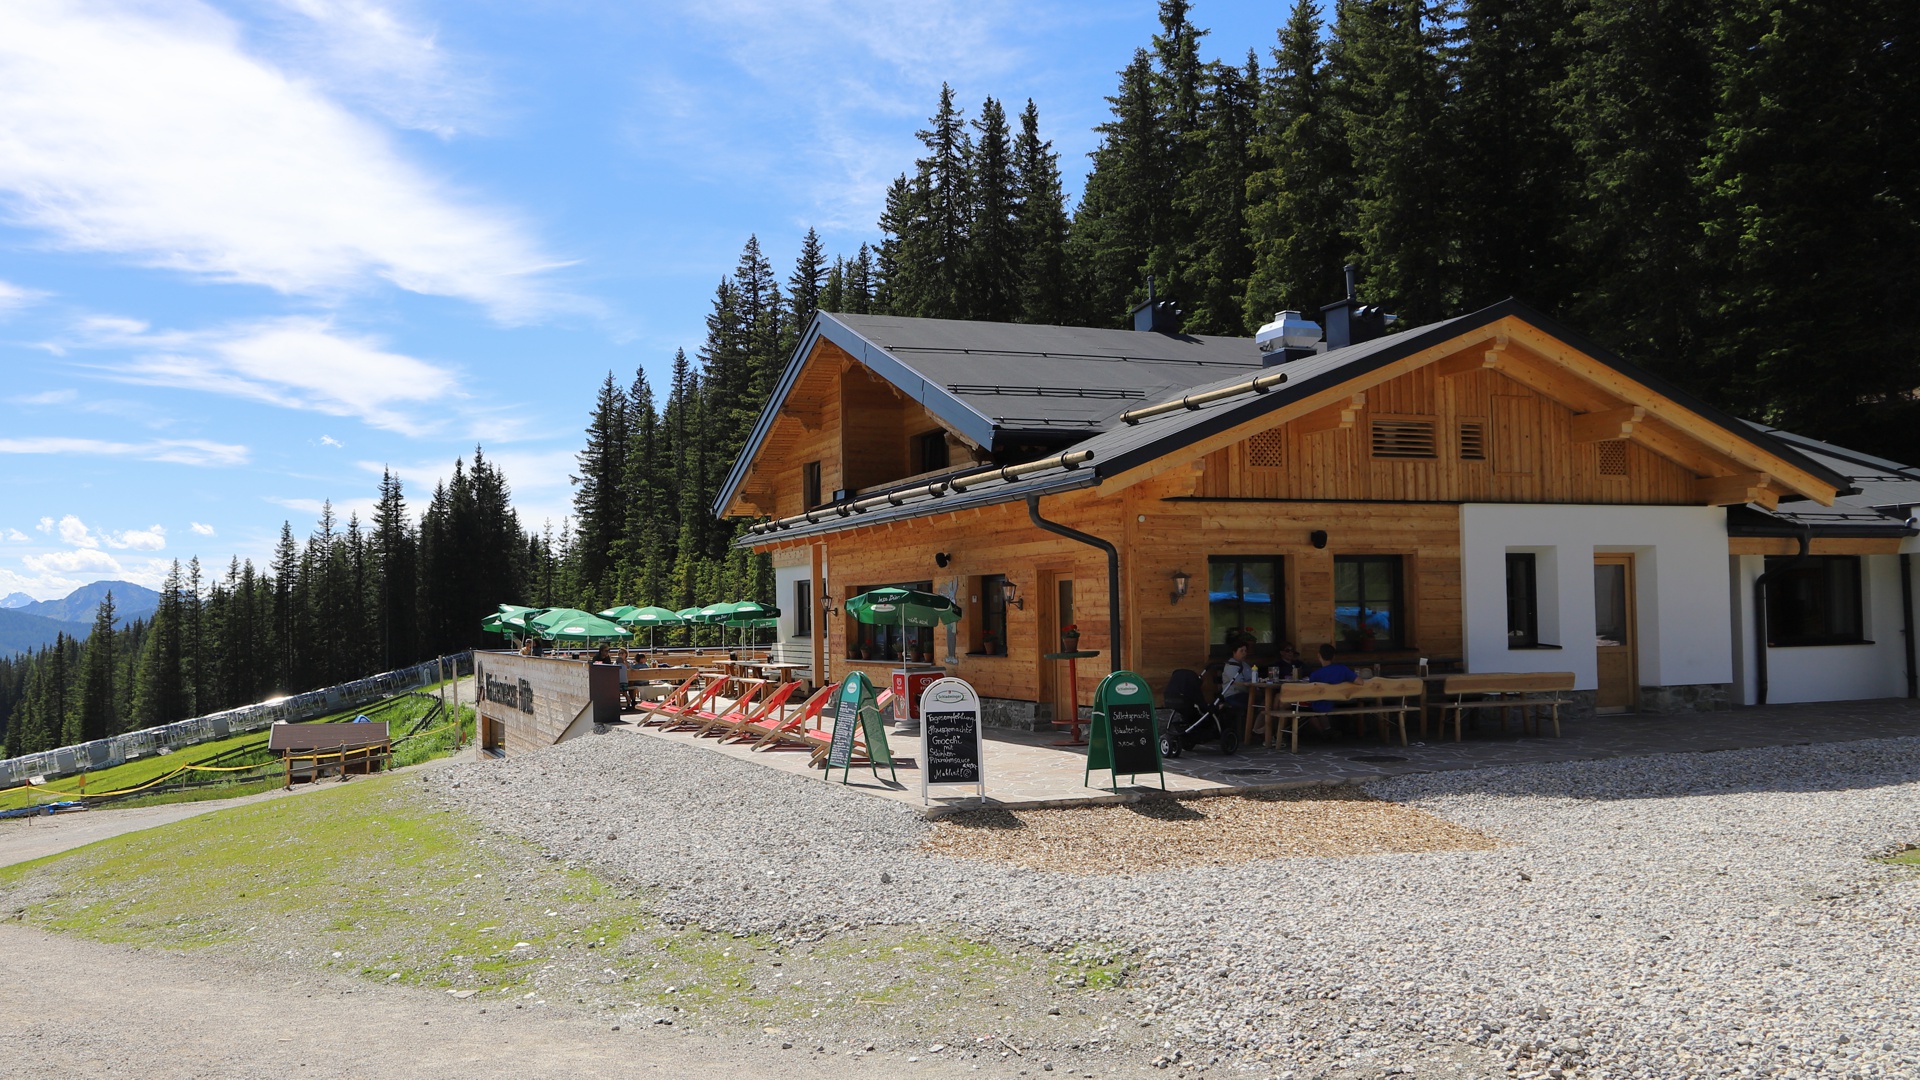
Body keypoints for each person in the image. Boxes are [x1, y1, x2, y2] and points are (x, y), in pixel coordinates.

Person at [1306, 643, 1360, 726]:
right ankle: (1328, 731)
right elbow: (1360, 682)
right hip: (1341, 702)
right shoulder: (1342, 669)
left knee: (1314, 709)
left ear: (1319, 655)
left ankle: (1327, 731)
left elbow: (1310, 694)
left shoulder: (1315, 674)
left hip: (1322, 707)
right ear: (1333, 656)